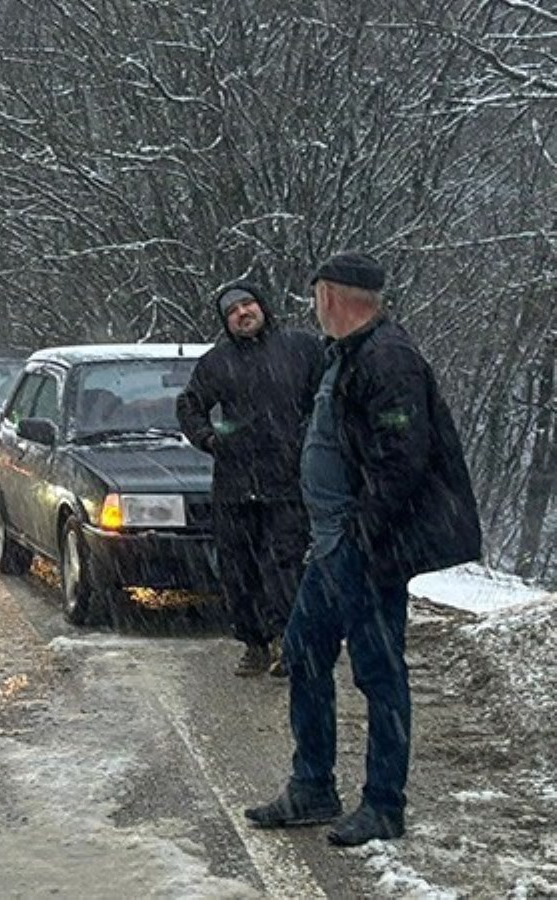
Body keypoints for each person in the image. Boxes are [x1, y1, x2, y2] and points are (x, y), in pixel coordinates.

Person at [244, 251, 482, 846]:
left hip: (367, 549)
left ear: (331, 295)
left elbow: (402, 460)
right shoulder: (346, 355)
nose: (314, 306)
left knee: (379, 674)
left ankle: (383, 805)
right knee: (302, 653)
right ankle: (312, 787)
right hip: (331, 549)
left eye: (317, 294)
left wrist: (363, 536)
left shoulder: (388, 357)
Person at [178, 281, 325, 677]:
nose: (243, 313)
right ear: (226, 323)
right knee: (238, 570)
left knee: (284, 565)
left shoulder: (302, 349)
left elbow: (329, 396)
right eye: (232, 311)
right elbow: (189, 404)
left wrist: (316, 441)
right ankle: (254, 644)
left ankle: (289, 643)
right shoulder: (216, 362)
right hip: (235, 485)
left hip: (288, 482)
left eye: (248, 304)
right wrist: (209, 438)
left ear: (263, 306)